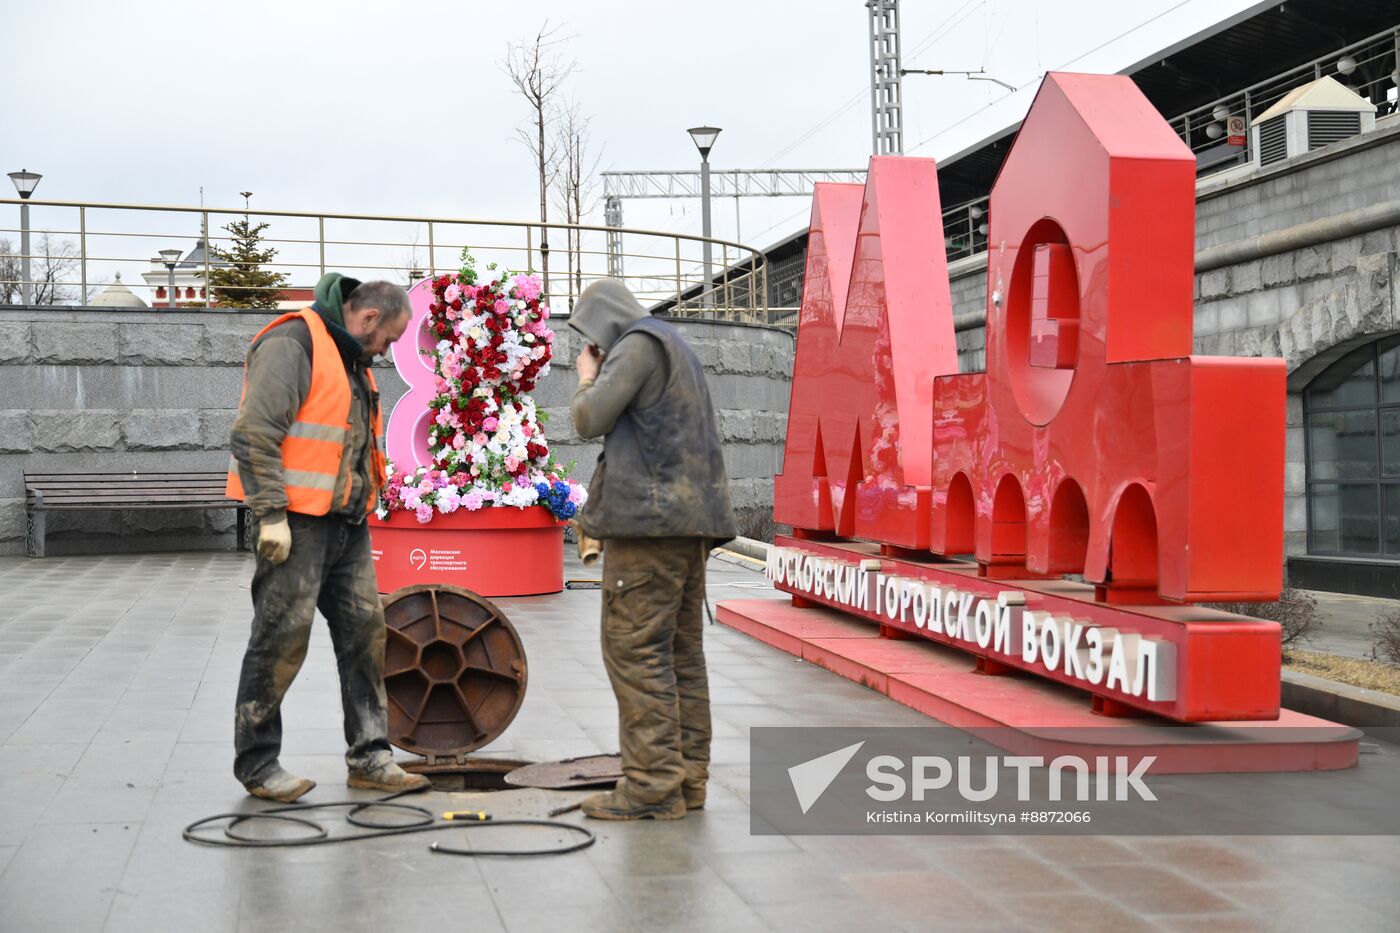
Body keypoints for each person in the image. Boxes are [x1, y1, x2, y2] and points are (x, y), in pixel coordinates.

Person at [226, 273, 426, 802]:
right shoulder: (293, 342)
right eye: (387, 339)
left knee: (366, 635)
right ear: (367, 319)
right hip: (294, 523)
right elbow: (255, 433)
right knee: (279, 639)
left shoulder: (350, 358)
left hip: (347, 524)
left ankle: (371, 756)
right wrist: (270, 515)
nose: (386, 351)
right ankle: (258, 764)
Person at [567, 278, 737, 820]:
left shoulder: (637, 346)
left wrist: (586, 379)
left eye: (590, 335)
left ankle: (651, 785)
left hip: (648, 528)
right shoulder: (675, 346)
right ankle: (687, 780)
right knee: (680, 655)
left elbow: (590, 417)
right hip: (689, 526)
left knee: (636, 652)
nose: (589, 346)